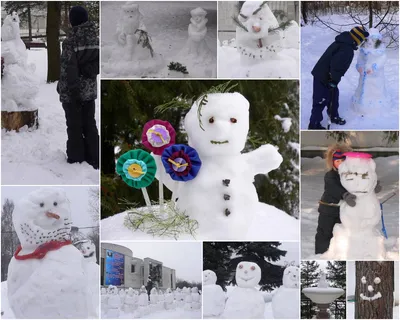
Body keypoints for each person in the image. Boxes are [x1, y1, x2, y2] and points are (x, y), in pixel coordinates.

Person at [57, 6, 99, 169]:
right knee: (89, 123)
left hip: (73, 93)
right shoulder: (95, 39)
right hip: (90, 92)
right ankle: (94, 157)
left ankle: (76, 158)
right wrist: (90, 69)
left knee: (74, 125)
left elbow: (68, 68)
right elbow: (97, 64)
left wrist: (69, 90)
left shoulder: (71, 41)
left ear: (74, 20)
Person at [308, 26, 370, 130]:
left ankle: (333, 116)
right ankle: (314, 125)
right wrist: (333, 80)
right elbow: (336, 66)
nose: (361, 43)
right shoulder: (346, 49)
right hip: (323, 76)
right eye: (361, 40)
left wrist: (333, 81)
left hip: (327, 74)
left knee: (333, 96)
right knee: (320, 100)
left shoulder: (344, 42)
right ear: (357, 39)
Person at [315, 143, 353, 254]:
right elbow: (333, 188)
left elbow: (358, 184)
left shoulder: (350, 175)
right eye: (337, 161)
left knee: (340, 234)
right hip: (328, 209)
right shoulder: (330, 175)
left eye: (343, 161)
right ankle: (321, 254)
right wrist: (345, 195)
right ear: (332, 163)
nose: (340, 164)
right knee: (325, 233)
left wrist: (372, 187)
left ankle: (337, 253)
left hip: (342, 210)